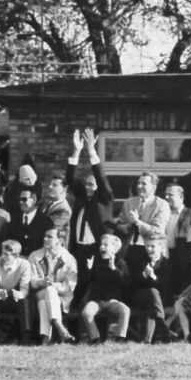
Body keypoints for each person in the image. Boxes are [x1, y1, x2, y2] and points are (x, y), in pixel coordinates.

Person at [66, 129, 114, 309]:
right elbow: (70, 178)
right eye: (86, 184)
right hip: (79, 249)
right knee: (77, 288)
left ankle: (98, 332)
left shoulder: (104, 198)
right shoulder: (81, 197)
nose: (88, 187)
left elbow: (100, 178)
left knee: (95, 288)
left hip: (98, 249)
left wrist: (91, 151)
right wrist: (77, 151)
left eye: (91, 185)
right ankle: (73, 331)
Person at [28, 228, 78, 344]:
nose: (45, 239)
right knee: (47, 293)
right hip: (38, 293)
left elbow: (69, 286)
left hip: (61, 297)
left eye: (49, 237)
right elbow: (31, 280)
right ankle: (60, 327)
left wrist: (53, 285)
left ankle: (45, 338)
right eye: (45, 236)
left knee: (47, 296)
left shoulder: (69, 259)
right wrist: (41, 282)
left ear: (59, 240)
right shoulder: (34, 256)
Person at [80, 234, 131, 344]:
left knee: (125, 310)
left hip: (112, 300)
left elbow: (125, 282)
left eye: (106, 245)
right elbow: (85, 281)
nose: (102, 247)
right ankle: (95, 339)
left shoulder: (120, 263)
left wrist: (113, 269)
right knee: (86, 312)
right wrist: (88, 269)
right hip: (96, 300)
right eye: (101, 245)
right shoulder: (95, 261)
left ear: (114, 248)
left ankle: (119, 338)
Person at [116, 172, 170, 266]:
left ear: (153, 187)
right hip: (129, 249)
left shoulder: (162, 205)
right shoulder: (129, 203)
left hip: (149, 250)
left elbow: (158, 231)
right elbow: (119, 225)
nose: (139, 186)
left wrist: (138, 222)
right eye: (138, 183)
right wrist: (129, 226)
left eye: (144, 183)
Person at [0, 240, 33, 345]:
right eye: (3, 253)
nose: (4, 257)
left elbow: (25, 289)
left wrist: (19, 294)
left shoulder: (24, 264)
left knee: (24, 302)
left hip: (15, 297)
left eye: (7, 254)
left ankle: (26, 336)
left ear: (16, 255)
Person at [125, 237, 171, 343]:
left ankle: (146, 341)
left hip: (159, 300)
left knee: (151, 307)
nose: (149, 249)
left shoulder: (167, 263)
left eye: (152, 246)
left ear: (161, 247)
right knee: (152, 292)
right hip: (139, 296)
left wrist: (154, 277)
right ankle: (163, 326)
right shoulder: (140, 261)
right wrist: (144, 275)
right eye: (147, 246)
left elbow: (166, 287)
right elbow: (131, 284)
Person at [163, 183, 191, 297]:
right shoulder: (163, 213)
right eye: (166, 195)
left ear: (181, 197)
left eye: (170, 195)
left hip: (182, 258)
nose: (166, 197)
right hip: (166, 255)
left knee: (181, 289)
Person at [7, 185, 55, 257]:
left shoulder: (47, 223)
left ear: (34, 200)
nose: (20, 202)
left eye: (24, 199)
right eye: (19, 199)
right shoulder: (14, 221)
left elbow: (49, 247)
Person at [40, 174, 72, 243]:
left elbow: (48, 228)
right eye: (50, 184)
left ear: (64, 189)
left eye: (54, 185)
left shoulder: (64, 210)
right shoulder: (47, 203)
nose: (50, 187)